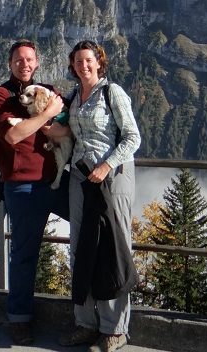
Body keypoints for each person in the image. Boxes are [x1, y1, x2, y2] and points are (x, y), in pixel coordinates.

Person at [59, 40, 141, 352]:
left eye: (89, 60)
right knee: (79, 249)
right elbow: (64, 131)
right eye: (78, 61)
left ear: (99, 63)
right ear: (73, 65)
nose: (83, 65)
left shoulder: (112, 92)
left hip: (112, 177)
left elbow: (133, 136)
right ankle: (85, 323)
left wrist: (107, 165)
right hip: (80, 176)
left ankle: (115, 329)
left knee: (113, 249)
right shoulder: (75, 97)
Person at [0, 39, 71, 345]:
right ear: (10, 64)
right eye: (18, 60)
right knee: (24, 254)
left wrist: (46, 122)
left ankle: (89, 314)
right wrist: (46, 116)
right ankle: (19, 319)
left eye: (29, 59)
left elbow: (65, 128)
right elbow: (12, 135)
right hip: (21, 185)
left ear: (37, 63)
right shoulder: (2, 96)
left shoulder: (48, 90)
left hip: (56, 181)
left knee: (91, 230)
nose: (24, 64)